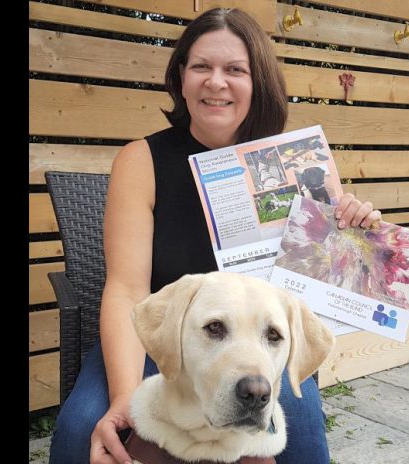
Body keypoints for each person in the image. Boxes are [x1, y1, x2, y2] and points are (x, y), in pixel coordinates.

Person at [48, 8, 382, 464]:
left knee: (303, 446)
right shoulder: (141, 160)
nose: (216, 82)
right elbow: (126, 289)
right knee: (81, 430)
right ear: (181, 77)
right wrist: (125, 399)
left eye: (235, 70)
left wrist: (355, 235)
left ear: (257, 81)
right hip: (160, 341)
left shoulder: (296, 165)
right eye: (201, 66)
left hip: (255, 350)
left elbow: (317, 294)